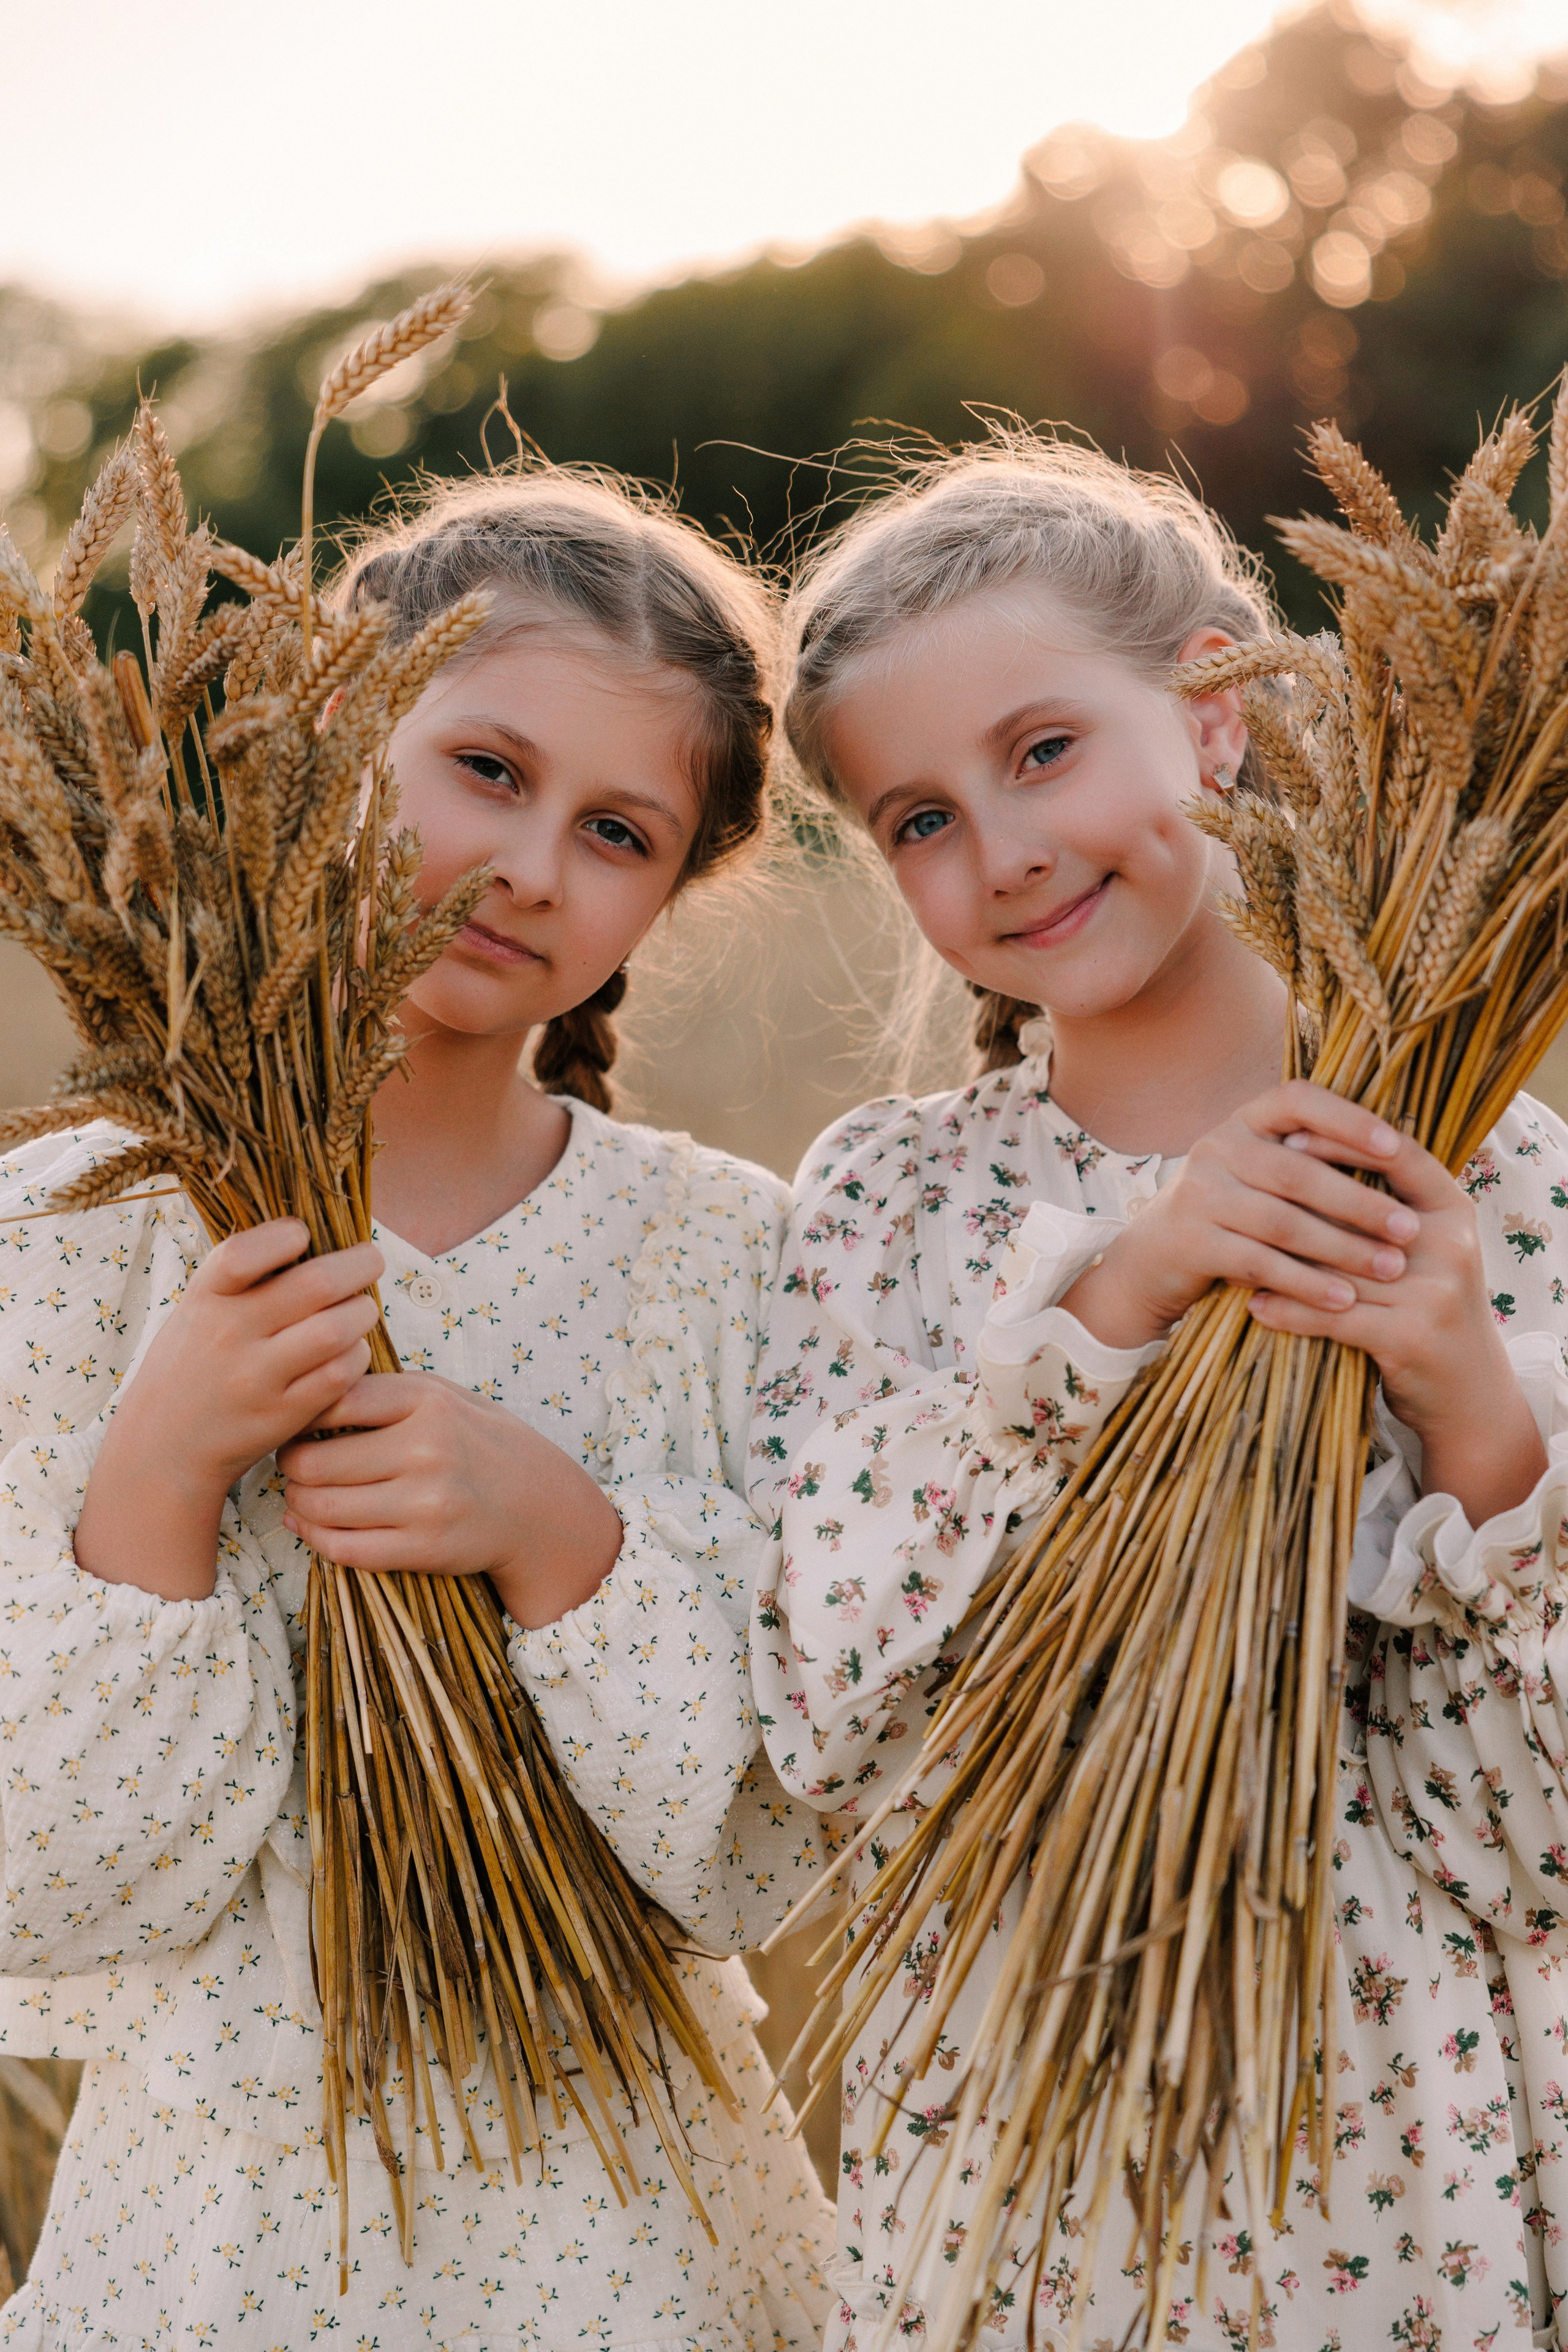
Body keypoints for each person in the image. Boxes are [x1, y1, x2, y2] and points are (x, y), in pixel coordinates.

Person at [748, 432, 1568, 2350]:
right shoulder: (892, 1204)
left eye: (1043, 750)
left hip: (1397, 2166)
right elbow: (819, 1710)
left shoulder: (1497, 1193)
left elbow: (1532, 1848)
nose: (1004, 849)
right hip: (1008, 2164)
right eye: (919, 819)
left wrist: (1471, 1410)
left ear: (1216, 707)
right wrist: (1115, 1297)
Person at [0, 468, 834, 2349]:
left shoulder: (728, 1260)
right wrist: (162, 1468)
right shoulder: (70, 1241)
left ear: (674, 890)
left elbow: (753, 1856)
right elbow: (39, 1878)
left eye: (615, 830)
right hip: (225, 2245)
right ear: (323, 739)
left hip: (632, 2253)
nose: (533, 864)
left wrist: (562, 1537)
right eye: (485, 769)